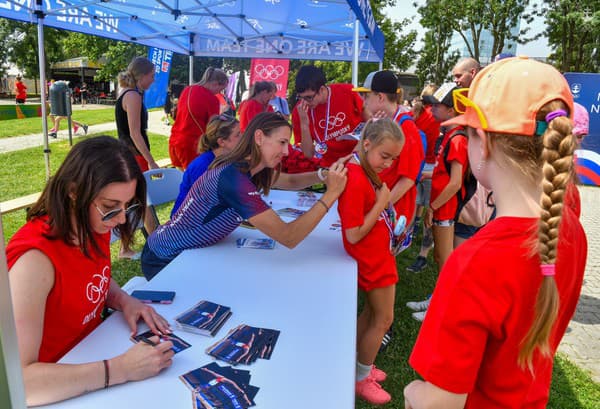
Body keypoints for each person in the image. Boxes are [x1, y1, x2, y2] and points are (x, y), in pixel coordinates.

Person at [404, 57, 587, 409]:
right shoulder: (571, 232)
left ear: (483, 143)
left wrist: (413, 392)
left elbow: (439, 402)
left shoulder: (475, 261)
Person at [6, 136, 175, 406]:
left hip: (92, 355)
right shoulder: (34, 261)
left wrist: (124, 300)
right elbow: (18, 383)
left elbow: (92, 278)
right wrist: (121, 369)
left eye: (127, 205)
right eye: (110, 208)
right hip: (55, 387)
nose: (120, 219)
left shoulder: (91, 225)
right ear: (75, 192)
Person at [141, 112, 348, 279]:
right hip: (165, 259)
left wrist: (324, 175)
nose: (286, 151)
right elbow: (288, 236)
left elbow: (291, 181)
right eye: (282, 142)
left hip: (192, 253)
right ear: (259, 137)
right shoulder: (233, 178)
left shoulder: (254, 166)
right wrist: (331, 194)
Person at [337, 118, 404, 405]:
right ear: (367, 145)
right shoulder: (354, 176)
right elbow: (352, 234)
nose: (388, 164)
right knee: (383, 318)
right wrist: (381, 203)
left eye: (393, 158)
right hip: (371, 259)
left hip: (377, 254)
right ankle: (361, 378)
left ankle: (357, 366)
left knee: (371, 314)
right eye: (384, 156)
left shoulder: (362, 169)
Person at [407, 82, 468, 322]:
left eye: (437, 106)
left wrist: (432, 207)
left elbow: (455, 182)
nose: (431, 109)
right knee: (441, 259)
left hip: (446, 209)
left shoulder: (458, 139)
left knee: (445, 261)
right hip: (440, 207)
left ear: (452, 110)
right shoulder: (450, 135)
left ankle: (442, 308)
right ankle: (437, 300)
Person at [292, 65, 369, 168]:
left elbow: (365, 110)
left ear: (322, 90)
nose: (305, 102)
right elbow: (308, 154)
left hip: (358, 156)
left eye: (309, 97)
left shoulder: (346, 90)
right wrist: (304, 124)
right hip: (331, 165)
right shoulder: (300, 111)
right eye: (300, 97)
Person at [171, 114, 242, 215]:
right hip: (187, 224)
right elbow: (204, 206)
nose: (242, 137)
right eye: (238, 134)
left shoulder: (229, 159)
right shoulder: (203, 166)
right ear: (222, 142)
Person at [407, 84, 441, 273]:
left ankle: (405, 239)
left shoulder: (416, 113)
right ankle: (423, 255)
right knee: (431, 212)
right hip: (432, 166)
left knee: (414, 205)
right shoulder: (437, 116)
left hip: (416, 164)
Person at [169, 67, 229, 170]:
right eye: (220, 89)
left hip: (175, 142)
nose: (219, 93)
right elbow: (213, 127)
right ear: (215, 84)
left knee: (182, 178)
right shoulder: (211, 99)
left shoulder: (187, 89)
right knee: (195, 182)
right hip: (193, 146)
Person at [116, 56, 159, 172]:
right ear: (142, 76)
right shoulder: (133, 96)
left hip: (128, 153)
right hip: (135, 156)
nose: (153, 80)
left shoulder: (126, 92)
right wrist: (151, 161)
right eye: (152, 76)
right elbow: (135, 133)